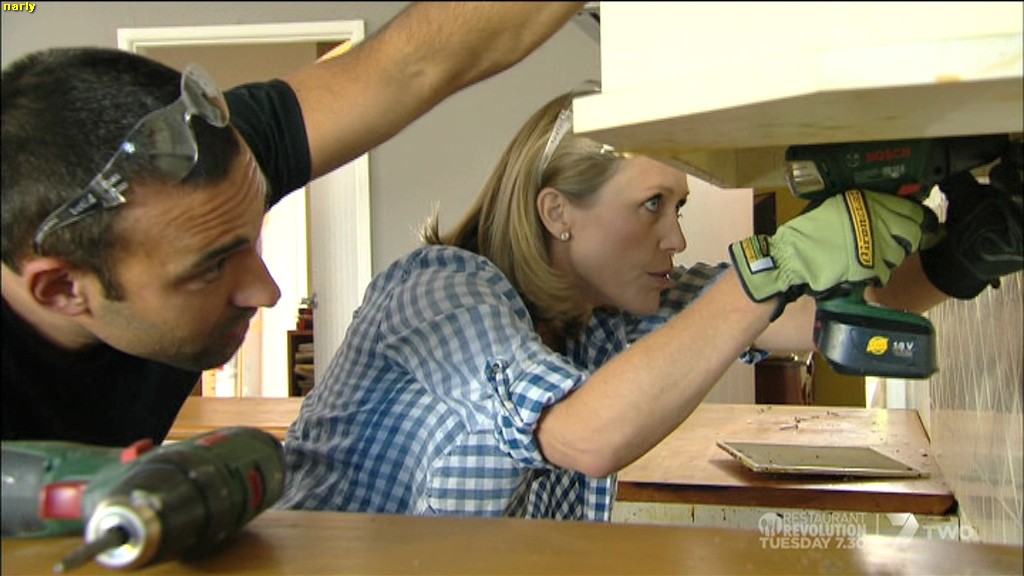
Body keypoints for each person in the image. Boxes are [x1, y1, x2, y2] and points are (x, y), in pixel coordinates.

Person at [277, 91, 1023, 520]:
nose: (676, 236)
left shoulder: (612, 314)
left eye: (679, 206)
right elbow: (581, 436)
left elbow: (804, 313)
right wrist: (778, 262)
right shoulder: (439, 289)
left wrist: (961, 260)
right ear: (557, 213)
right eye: (651, 206)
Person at [0, 2, 587, 446]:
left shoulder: (196, 171)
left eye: (250, 234)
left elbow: (416, 64)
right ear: (62, 288)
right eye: (211, 268)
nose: (266, 291)